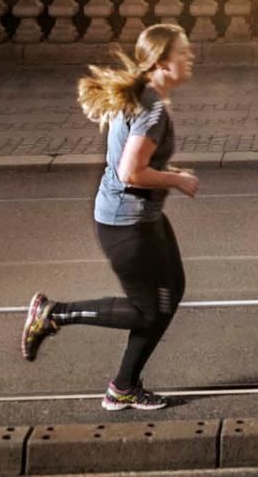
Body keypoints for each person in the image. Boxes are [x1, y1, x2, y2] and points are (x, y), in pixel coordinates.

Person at [20, 22, 197, 411]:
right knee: (147, 311)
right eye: (184, 53)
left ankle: (124, 387)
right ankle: (54, 314)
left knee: (171, 293)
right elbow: (129, 172)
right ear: (164, 62)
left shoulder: (146, 98)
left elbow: (133, 163)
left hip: (141, 217)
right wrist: (177, 180)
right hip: (126, 224)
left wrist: (167, 175)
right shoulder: (151, 110)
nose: (191, 59)